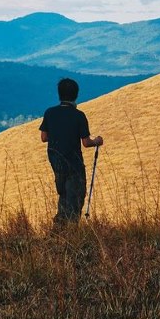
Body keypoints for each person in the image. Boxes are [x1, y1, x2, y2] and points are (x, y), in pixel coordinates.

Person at [39, 78, 103, 225]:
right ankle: (70, 233)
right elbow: (86, 143)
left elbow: (44, 137)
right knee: (75, 199)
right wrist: (97, 141)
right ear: (76, 95)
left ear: (59, 94)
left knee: (64, 195)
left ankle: (59, 231)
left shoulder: (50, 113)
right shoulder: (79, 116)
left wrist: (59, 135)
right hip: (74, 164)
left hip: (56, 163)